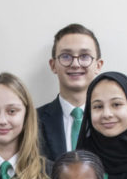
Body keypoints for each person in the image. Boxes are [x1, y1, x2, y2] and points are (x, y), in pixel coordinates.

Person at [37, 24, 104, 161]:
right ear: (53, 65)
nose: (75, 64)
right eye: (66, 56)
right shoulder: (33, 121)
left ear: (98, 65)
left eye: (84, 56)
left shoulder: (112, 119)